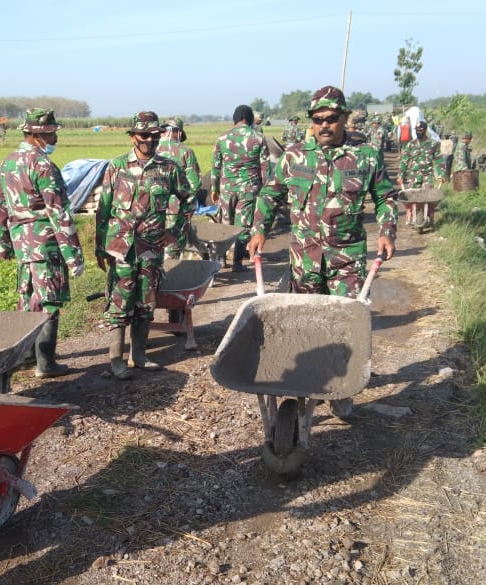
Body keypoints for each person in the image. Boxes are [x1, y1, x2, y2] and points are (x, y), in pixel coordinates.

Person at [246, 86, 397, 417]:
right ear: (310, 121)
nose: (325, 125)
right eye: (318, 120)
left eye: (331, 119)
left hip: (347, 257)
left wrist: (387, 232)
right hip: (305, 258)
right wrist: (259, 229)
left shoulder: (366, 157)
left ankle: (341, 389)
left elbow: (385, 197)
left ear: (344, 118)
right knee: (307, 323)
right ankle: (306, 384)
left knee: (344, 323)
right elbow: (270, 195)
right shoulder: (294, 156)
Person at [95, 111, 189, 380]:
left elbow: (188, 202)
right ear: (133, 137)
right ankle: (116, 360)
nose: (150, 140)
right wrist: (99, 248)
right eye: (144, 135)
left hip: (151, 250)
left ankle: (139, 356)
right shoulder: (116, 167)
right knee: (119, 302)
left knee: (146, 302)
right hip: (121, 249)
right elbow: (103, 211)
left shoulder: (169, 169)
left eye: (155, 135)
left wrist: (174, 232)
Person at [0, 108, 86, 379]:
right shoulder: (43, 165)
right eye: (52, 133)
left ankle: (25, 357)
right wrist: (73, 255)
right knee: (49, 300)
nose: (56, 137)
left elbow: (0, 205)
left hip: (22, 244)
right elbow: (58, 212)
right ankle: (45, 363)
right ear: (39, 134)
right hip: (45, 244)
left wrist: (3, 244)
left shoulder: (7, 162)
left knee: (28, 299)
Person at [210, 104, 270, 271]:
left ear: (235, 118)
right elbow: (265, 168)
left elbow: (215, 166)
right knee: (243, 225)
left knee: (224, 224)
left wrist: (214, 189)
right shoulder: (258, 137)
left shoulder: (222, 138)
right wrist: (266, 191)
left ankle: (220, 260)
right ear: (250, 119)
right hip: (249, 190)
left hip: (226, 189)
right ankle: (237, 262)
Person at [156, 116, 201, 259]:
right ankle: (170, 278)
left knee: (152, 252)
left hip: (151, 213)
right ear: (179, 133)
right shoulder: (185, 152)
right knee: (172, 252)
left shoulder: (150, 150)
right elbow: (194, 184)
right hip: (177, 213)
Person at [397, 120, 445, 225]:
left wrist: (441, 174)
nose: (419, 132)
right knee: (413, 197)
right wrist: (400, 175)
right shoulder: (411, 144)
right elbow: (404, 161)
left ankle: (430, 216)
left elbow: (438, 160)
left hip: (427, 175)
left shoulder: (433, 144)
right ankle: (412, 214)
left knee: (429, 196)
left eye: (421, 130)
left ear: (425, 130)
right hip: (413, 176)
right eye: (417, 130)